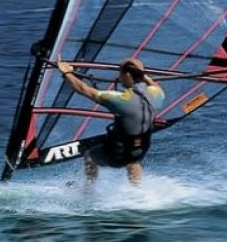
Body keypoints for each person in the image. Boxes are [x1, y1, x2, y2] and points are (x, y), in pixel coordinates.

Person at [55, 57, 164, 186]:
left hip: (117, 155)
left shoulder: (121, 100)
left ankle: (87, 190)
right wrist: (143, 76)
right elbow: (154, 85)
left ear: (128, 75)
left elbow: (83, 89)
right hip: (141, 149)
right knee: (133, 161)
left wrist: (66, 72)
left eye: (120, 74)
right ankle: (138, 190)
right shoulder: (157, 94)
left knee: (89, 156)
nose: (119, 77)